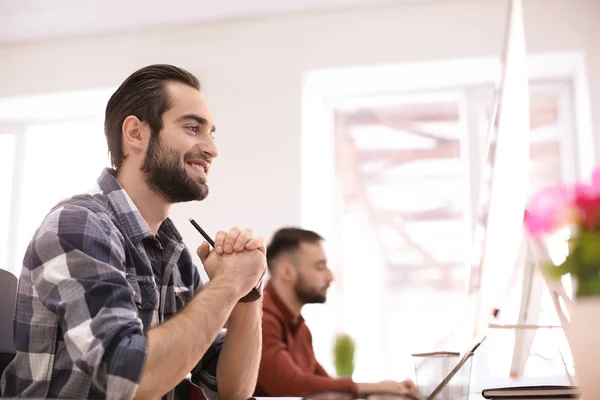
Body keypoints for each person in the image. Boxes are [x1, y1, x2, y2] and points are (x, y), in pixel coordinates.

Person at [1, 64, 266, 400]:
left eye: (211, 133)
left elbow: (232, 390)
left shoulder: (175, 254)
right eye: (192, 128)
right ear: (136, 133)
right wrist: (227, 285)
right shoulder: (78, 227)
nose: (212, 149)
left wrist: (247, 294)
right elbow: (126, 378)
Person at [254, 227, 420, 398]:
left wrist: (389, 388)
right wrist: (375, 387)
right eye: (320, 268)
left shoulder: (300, 328)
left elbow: (326, 385)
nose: (330, 277)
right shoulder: (261, 319)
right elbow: (291, 386)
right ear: (287, 272)